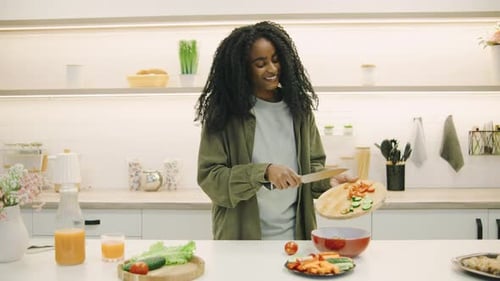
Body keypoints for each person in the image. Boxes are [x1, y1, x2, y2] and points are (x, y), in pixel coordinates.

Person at [195, 21, 352, 240]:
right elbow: (211, 178)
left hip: (296, 238)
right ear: (242, 68)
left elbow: (312, 166)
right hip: (241, 239)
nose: (272, 69)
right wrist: (264, 172)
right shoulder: (224, 114)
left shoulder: (299, 108)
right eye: (261, 63)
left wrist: (329, 182)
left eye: (276, 60)